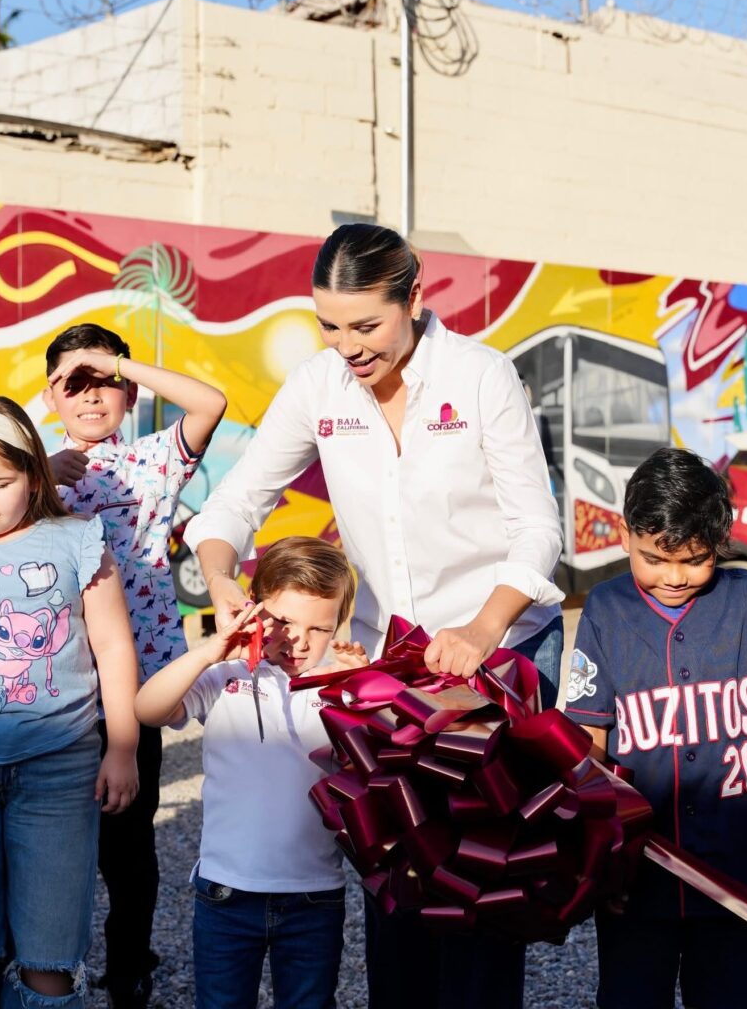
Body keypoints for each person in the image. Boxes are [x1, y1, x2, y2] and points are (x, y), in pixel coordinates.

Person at [183, 223, 564, 1008]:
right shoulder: (317, 387)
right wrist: (220, 576)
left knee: (487, 888)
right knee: (397, 881)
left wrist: (480, 631)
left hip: (498, 656)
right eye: (329, 324)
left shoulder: (481, 377)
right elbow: (234, 504)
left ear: (413, 299)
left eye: (365, 325)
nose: (347, 346)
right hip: (387, 673)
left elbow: (537, 529)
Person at [0, 396, 139, 1009]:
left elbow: (113, 646)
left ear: (33, 472)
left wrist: (122, 747)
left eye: (0, 482)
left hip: (58, 770)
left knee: (50, 957)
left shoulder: (77, 540)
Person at [43, 323, 227, 1009]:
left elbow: (209, 403)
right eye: (75, 383)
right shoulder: (26, 472)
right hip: (51, 692)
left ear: (128, 392)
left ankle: (128, 969)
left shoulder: (153, 462)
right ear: (50, 396)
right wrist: (39, 473)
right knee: (48, 846)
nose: (92, 395)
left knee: (128, 847)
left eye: (106, 382)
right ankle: (41, 966)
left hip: (138, 692)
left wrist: (115, 361)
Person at [135, 536, 367, 1009]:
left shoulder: (341, 687)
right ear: (254, 607)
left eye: (319, 628)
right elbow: (148, 709)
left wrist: (364, 694)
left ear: (338, 624)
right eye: (283, 622)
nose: (299, 640)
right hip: (226, 892)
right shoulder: (227, 675)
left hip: (314, 894)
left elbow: (372, 771)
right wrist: (209, 652)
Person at [564, 447, 747, 1009]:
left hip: (735, 875)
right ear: (625, 536)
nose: (673, 576)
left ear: (720, 542)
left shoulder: (745, 602)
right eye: (654, 558)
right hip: (639, 874)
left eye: (694, 560)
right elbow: (589, 742)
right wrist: (599, 859)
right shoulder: (605, 608)